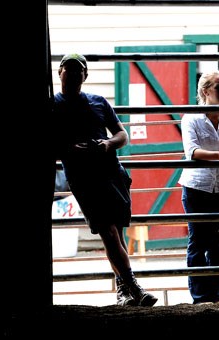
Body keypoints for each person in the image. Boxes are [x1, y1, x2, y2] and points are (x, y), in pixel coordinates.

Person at [53, 53, 157, 307]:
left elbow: (122, 134)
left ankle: (122, 291)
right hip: (82, 177)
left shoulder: (98, 102)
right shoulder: (52, 105)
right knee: (110, 233)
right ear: (60, 73)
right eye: (69, 68)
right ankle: (134, 286)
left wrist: (107, 144)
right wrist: (69, 150)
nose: (74, 73)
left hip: (111, 172)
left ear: (85, 76)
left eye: (79, 70)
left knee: (116, 234)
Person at [178, 70, 219, 304]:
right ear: (206, 92)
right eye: (218, 86)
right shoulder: (191, 118)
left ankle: (216, 294)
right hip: (198, 186)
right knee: (198, 241)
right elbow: (192, 152)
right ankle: (199, 295)